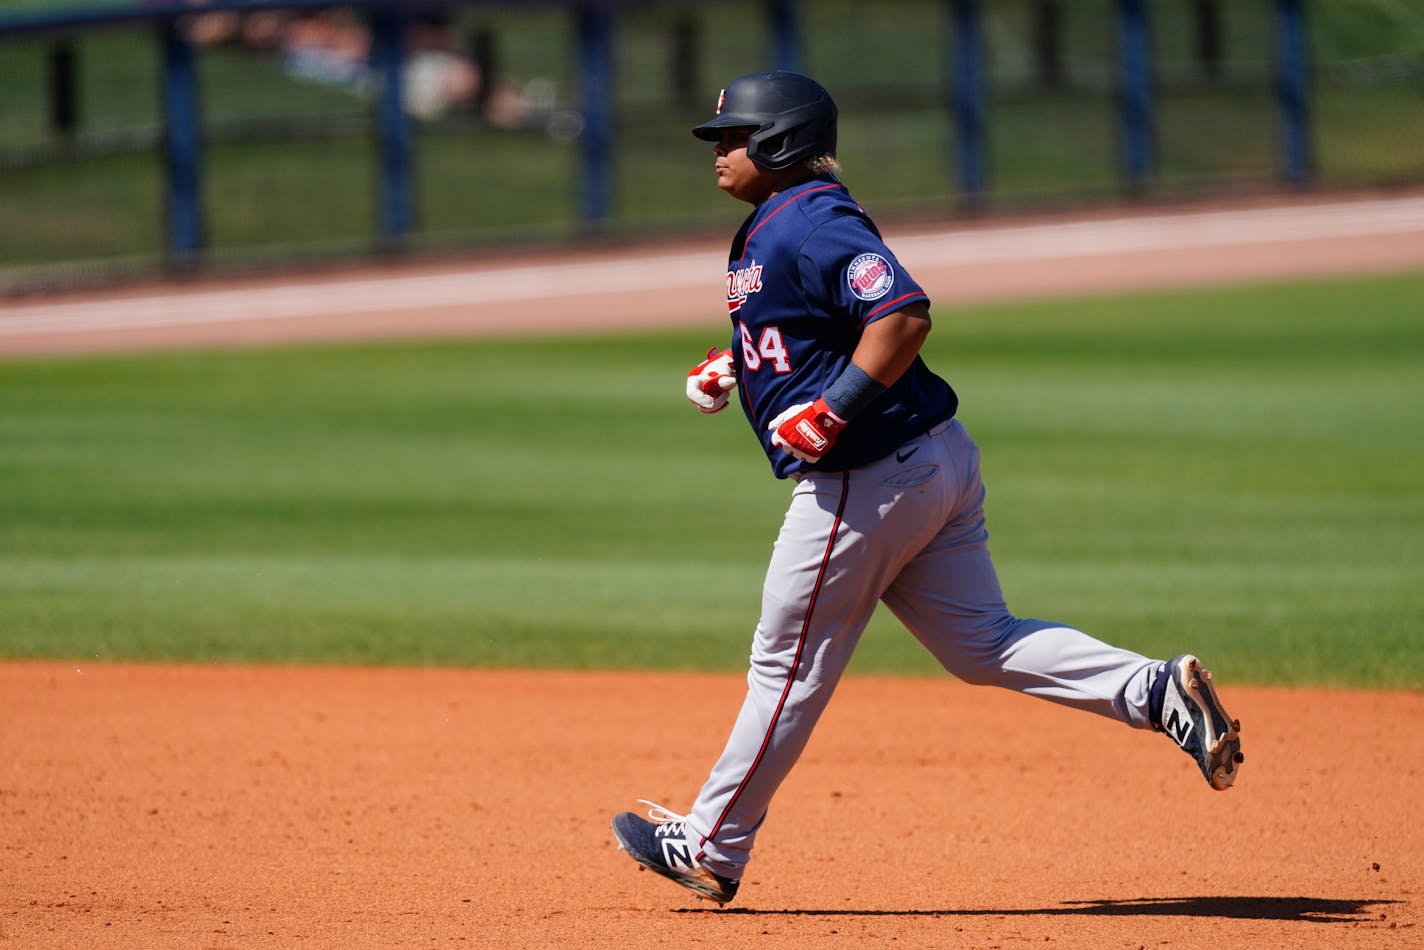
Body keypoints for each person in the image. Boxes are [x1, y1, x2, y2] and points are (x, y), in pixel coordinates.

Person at [610, 71, 1243, 906]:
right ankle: (1153, 690)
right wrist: (739, 362)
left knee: (785, 668)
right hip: (929, 462)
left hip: (864, 483)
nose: (718, 151)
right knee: (983, 643)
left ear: (779, 141)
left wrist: (830, 412)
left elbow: (902, 316)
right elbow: (815, 327)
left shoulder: (812, 218)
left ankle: (712, 845)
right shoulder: (786, 222)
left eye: (731, 136)